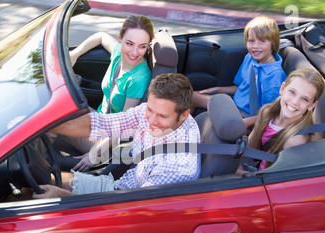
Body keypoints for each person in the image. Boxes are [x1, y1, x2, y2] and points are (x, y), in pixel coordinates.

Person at [33, 73, 201, 199]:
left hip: (120, 203)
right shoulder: (157, 113)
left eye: (162, 116)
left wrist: (65, 197)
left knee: (37, 196)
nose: (151, 120)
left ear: (184, 115)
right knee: (43, 181)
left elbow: (131, 211)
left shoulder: (177, 168)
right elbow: (102, 124)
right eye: (150, 109)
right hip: (119, 186)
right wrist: (39, 123)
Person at [67, 15, 155, 171]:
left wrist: (94, 153)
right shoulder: (118, 55)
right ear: (120, 38)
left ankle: (31, 165)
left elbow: (124, 126)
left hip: (108, 139)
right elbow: (100, 36)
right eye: (129, 43)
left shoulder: (139, 78)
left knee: (54, 122)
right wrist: (75, 54)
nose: (134, 52)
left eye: (142, 46)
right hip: (99, 119)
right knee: (59, 110)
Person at [191, 16, 287, 128]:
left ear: (273, 43)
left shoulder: (275, 75)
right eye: (251, 41)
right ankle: (183, 131)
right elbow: (241, 87)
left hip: (247, 116)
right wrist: (217, 90)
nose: (255, 46)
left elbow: (270, 112)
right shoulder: (249, 58)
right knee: (192, 96)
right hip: (234, 104)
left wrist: (246, 124)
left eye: (262, 41)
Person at [247, 67, 325, 170]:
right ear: (282, 89)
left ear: (312, 105)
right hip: (256, 167)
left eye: (305, 99)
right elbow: (251, 148)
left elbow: (277, 177)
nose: (295, 102)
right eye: (292, 92)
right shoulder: (266, 112)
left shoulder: (296, 140)